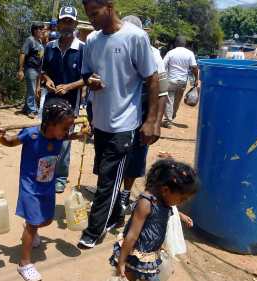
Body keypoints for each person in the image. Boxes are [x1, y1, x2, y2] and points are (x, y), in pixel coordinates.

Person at [78, 0, 160, 249]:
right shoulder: (92, 40)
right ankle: (114, 217)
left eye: (95, 13)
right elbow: (85, 73)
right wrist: (89, 80)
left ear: (110, 6)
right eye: (88, 14)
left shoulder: (134, 37)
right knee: (105, 175)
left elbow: (152, 79)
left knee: (108, 179)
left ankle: (94, 230)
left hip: (124, 124)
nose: (91, 19)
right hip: (100, 121)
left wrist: (152, 121)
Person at [109, 159, 199, 281]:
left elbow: (169, 210)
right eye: (181, 197)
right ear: (166, 189)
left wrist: (180, 215)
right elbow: (132, 235)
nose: (182, 201)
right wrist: (121, 261)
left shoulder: (165, 200)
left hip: (146, 253)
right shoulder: (146, 202)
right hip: (139, 254)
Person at [0, 98, 86, 281]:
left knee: (46, 219)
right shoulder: (32, 134)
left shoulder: (58, 135)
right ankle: (24, 263)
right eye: (65, 128)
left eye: (69, 128)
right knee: (33, 223)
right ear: (51, 124)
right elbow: (11, 142)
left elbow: (67, 136)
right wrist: (2, 136)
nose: (67, 132)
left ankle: (31, 230)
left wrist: (79, 135)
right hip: (30, 187)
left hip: (47, 185)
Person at [119, 15, 169, 214]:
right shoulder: (116, 47)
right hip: (118, 113)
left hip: (141, 113)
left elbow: (163, 92)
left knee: (135, 155)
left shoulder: (153, 54)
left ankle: (125, 193)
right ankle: (111, 194)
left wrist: (155, 123)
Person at [41, 6, 85, 194]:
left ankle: (60, 176)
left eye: (70, 22)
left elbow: (87, 77)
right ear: (58, 25)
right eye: (63, 22)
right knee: (46, 136)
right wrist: (48, 81)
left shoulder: (83, 49)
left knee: (65, 140)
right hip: (50, 102)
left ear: (75, 24)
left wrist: (68, 86)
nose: (66, 25)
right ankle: (45, 172)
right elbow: (43, 72)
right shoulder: (50, 47)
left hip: (70, 104)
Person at [162, 36, 199, 127]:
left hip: (171, 80)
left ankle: (168, 120)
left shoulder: (170, 53)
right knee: (177, 101)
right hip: (182, 81)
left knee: (169, 100)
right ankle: (172, 115)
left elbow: (163, 65)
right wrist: (196, 79)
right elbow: (194, 67)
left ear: (175, 43)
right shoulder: (190, 53)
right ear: (185, 44)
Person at [17, 23, 45, 119]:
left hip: (37, 70)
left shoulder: (40, 42)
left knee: (33, 90)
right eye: (40, 29)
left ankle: (26, 108)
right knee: (32, 90)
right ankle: (31, 110)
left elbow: (40, 58)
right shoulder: (30, 40)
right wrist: (20, 70)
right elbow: (23, 53)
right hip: (30, 68)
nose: (42, 31)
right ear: (35, 30)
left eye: (42, 29)